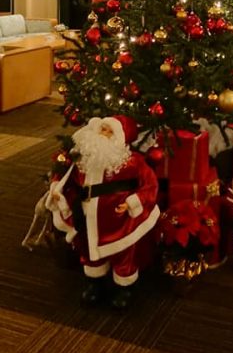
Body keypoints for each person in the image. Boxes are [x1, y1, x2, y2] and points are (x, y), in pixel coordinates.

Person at [46, 114, 160, 309]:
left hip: (118, 219)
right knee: (88, 247)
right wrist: (58, 189)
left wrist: (132, 202)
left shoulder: (133, 162)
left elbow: (150, 185)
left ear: (121, 138)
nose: (104, 134)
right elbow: (65, 175)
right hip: (86, 214)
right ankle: (94, 283)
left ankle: (124, 288)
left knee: (123, 252)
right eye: (102, 129)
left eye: (110, 132)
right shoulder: (83, 157)